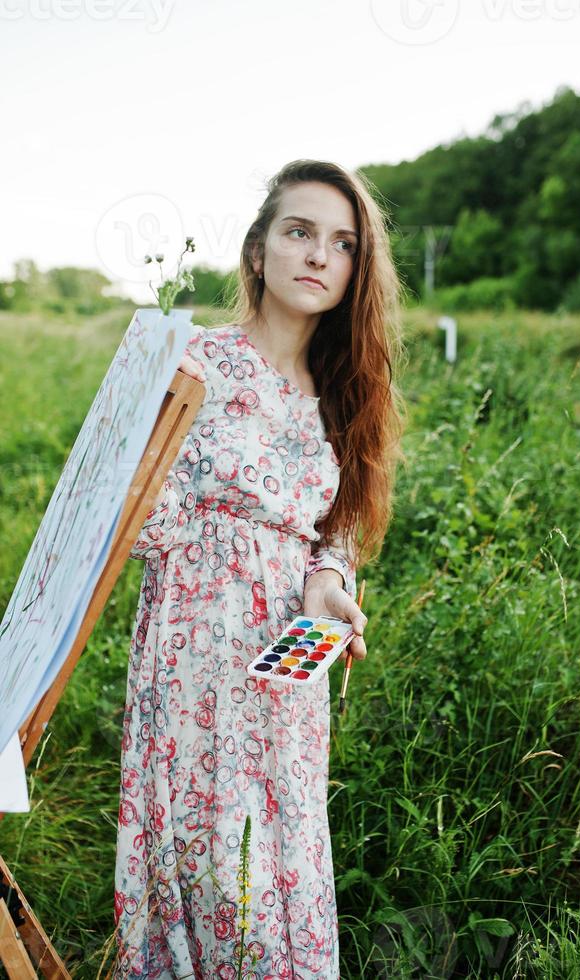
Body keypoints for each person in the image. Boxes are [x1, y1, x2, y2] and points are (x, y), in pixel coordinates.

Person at [113, 159, 406, 979]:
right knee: (205, 852)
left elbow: (334, 531)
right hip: (191, 646)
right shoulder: (192, 360)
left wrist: (328, 582)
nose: (319, 255)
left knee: (278, 852)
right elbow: (126, 519)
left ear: (356, 272)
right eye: (299, 231)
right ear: (257, 252)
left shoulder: (344, 390)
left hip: (284, 669)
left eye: (342, 244)